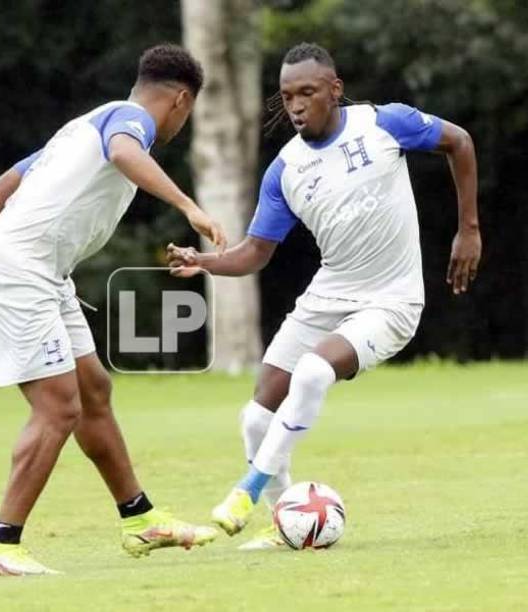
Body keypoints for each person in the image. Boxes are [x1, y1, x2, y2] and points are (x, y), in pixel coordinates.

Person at [165, 42, 481, 549]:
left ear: (334, 91)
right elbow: (253, 254)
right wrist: (203, 261)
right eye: (287, 95)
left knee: (313, 370)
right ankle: (283, 523)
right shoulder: (285, 171)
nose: (295, 105)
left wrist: (468, 229)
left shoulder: (384, 125)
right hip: (330, 293)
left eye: (307, 92)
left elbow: (460, 142)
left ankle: (247, 490)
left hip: (392, 300)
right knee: (256, 417)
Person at [0, 44, 225, 576]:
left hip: (42, 272)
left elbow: (0, 188)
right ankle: (2, 546)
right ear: (182, 100)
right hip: (18, 270)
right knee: (58, 408)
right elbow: (125, 156)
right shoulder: (129, 123)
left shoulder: (79, 127)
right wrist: (188, 206)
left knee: (92, 392)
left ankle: (140, 519)